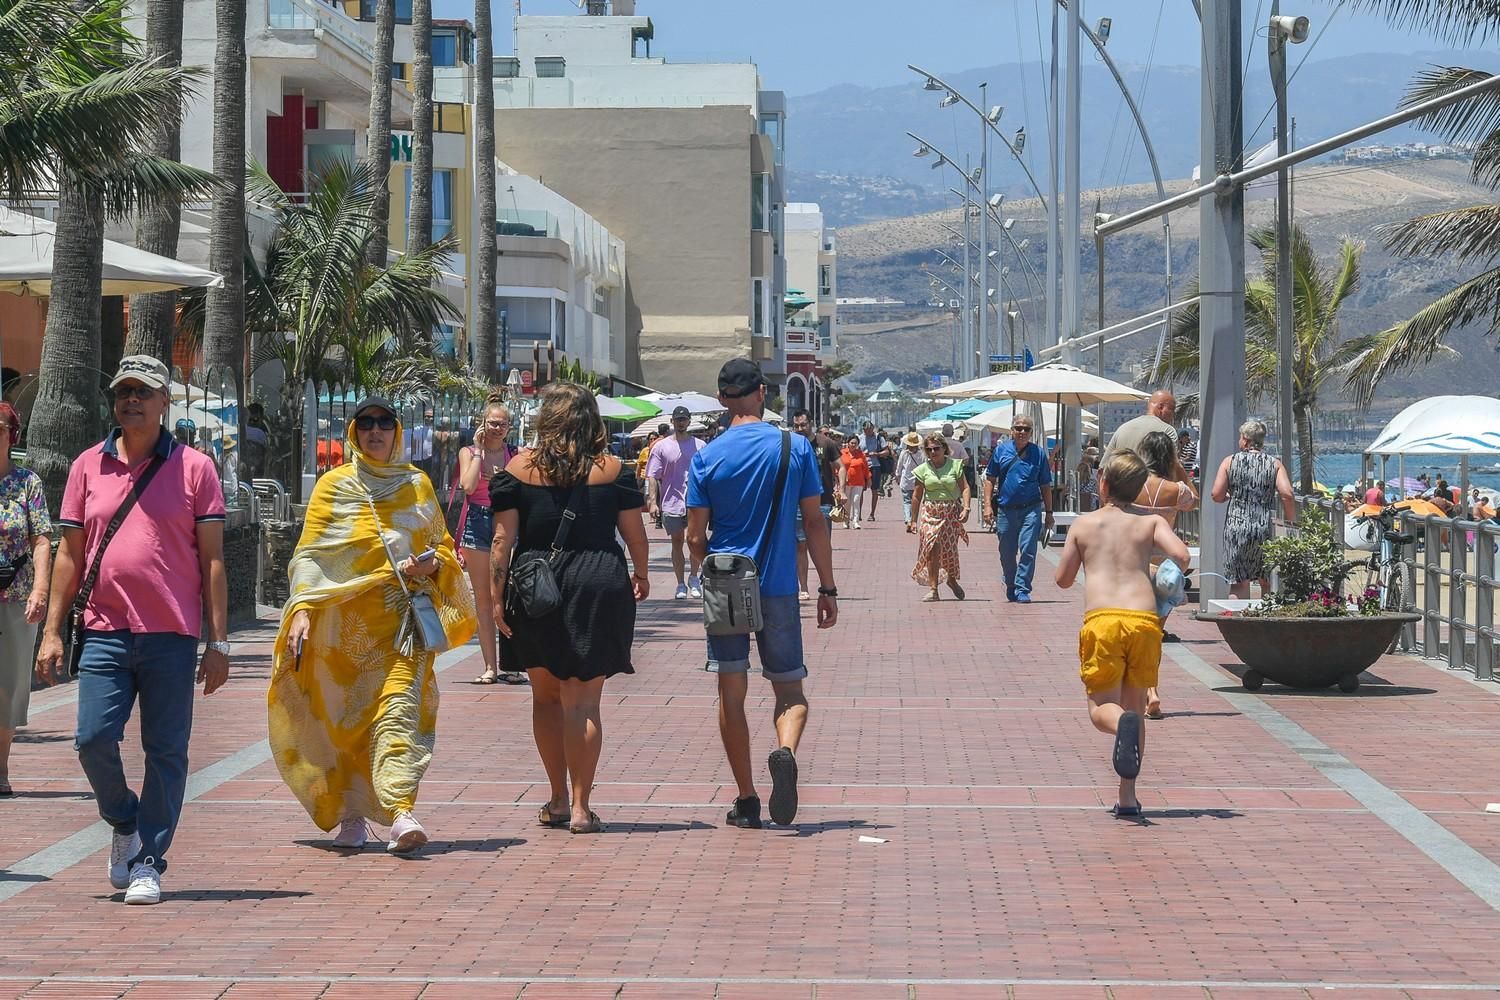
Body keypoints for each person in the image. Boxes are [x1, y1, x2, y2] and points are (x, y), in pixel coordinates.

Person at [36, 355, 229, 905]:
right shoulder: (86, 466)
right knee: (92, 738)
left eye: (143, 392)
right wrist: (53, 630)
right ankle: (125, 821)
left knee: (166, 751)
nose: (131, 401)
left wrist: (217, 643)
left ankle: (148, 860)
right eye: (123, 391)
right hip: (104, 629)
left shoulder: (195, 468)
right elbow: (71, 556)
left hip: (171, 633)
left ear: (164, 401)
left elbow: (213, 560)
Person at [272, 396, 477, 857]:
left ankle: (401, 811)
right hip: (341, 632)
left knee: (399, 712)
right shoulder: (335, 487)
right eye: (366, 423)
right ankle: (351, 813)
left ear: (398, 432)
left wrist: (430, 566)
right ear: (353, 433)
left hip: (402, 627)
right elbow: (309, 554)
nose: (376, 431)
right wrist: (302, 608)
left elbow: (444, 548)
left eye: (385, 423)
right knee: (347, 724)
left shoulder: (416, 485)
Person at [491, 383, 650, 835]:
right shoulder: (614, 470)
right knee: (583, 700)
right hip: (598, 582)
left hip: (537, 584)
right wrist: (641, 572)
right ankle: (582, 807)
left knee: (544, 696)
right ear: (590, 419)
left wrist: (494, 597)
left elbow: (502, 541)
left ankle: (558, 798)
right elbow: (634, 534)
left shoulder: (517, 470)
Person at [687, 358, 838, 829]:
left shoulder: (707, 456)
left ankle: (747, 798)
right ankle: (784, 750)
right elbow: (814, 522)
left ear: (720, 399)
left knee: (731, 692)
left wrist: (703, 576)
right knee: (790, 689)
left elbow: (695, 536)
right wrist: (827, 586)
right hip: (776, 588)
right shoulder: (794, 448)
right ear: (761, 395)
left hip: (726, 585)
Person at [1055, 452, 1191, 820]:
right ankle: (1127, 797)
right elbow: (1181, 554)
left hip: (1103, 621)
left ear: (1103, 484)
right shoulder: (1150, 524)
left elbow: (1064, 579)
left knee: (1102, 709)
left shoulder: (1084, 525)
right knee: (1136, 708)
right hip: (1144, 620)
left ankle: (1120, 725)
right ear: (1138, 489)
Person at [1130, 430, 1200, 719]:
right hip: (1166, 569)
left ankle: (1146, 691)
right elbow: (1194, 498)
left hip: (1135, 565)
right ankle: (1152, 690)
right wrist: (1180, 469)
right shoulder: (1176, 491)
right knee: (1154, 634)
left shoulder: (1131, 485)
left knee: (1135, 632)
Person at [0, 402, 51, 797]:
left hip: (14, 598)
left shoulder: (27, 484)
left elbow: (42, 540)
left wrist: (40, 590)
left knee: (9, 686)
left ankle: (0, 770)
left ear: (11, 434)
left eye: (0, 426)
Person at [457, 401, 523, 686]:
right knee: (483, 598)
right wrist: (479, 452)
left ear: (509, 428)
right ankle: (489, 667)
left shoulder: (514, 455)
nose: (497, 429)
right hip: (477, 523)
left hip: (507, 523)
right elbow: (468, 486)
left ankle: (511, 665)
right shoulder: (468, 453)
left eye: (502, 424)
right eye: (492, 423)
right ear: (482, 423)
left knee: (508, 596)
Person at [1210, 419, 1296, 599]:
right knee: (1266, 580)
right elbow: (1287, 494)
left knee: (1239, 582)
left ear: (1246, 440)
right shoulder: (1274, 464)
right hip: (1264, 528)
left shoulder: (1229, 462)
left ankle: (1236, 623)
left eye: (1241, 438)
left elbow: (1216, 495)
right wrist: (1291, 522)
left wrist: (1230, 496)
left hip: (1236, 527)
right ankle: (1264, 621)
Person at [981, 414, 1054, 603]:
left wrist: (1049, 513)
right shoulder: (1001, 451)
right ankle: (1011, 583)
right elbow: (990, 479)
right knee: (1006, 551)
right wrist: (987, 506)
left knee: (1028, 548)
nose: (1022, 432)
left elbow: (1046, 485)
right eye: (1018, 428)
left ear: (1031, 433)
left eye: (1026, 429)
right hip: (1006, 509)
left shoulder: (1038, 454)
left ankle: (1023, 587)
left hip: (1031, 508)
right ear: (1012, 431)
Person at [647, 406, 703, 599]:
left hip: (696, 501)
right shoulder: (661, 447)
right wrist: (653, 502)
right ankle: (680, 583)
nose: (681, 422)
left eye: (684, 419)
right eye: (677, 419)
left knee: (695, 540)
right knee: (677, 541)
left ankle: (694, 578)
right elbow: (653, 476)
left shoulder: (701, 445)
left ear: (689, 421)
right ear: (672, 421)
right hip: (671, 502)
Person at [910, 433, 971, 601]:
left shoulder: (955, 466)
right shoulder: (922, 470)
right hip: (930, 511)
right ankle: (933, 589)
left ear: (944, 448)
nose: (932, 452)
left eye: (936, 448)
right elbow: (916, 496)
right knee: (931, 547)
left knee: (949, 550)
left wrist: (966, 508)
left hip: (951, 511)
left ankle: (951, 580)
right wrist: (912, 521)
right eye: (928, 449)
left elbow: (965, 488)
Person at [791, 408, 840, 599]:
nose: (800, 428)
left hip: (824, 501)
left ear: (811, 423)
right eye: (796, 426)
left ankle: (825, 585)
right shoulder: (791, 444)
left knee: (822, 544)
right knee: (800, 545)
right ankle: (803, 587)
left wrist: (840, 488)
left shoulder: (825, 443)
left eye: (803, 424)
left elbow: (840, 466)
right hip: (796, 502)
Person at [1103, 390, 1189, 483]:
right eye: (1172, 409)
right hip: (1155, 494)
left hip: (1121, 494)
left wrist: (1106, 497)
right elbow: (1173, 468)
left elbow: (1102, 470)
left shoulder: (1122, 429)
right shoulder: (1168, 431)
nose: (1173, 415)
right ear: (1161, 407)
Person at [894, 431, 925, 532]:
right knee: (916, 502)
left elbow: (899, 466)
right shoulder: (922, 454)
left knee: (907, 501)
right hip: (918, 482)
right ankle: (913, 520)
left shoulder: (904, 453)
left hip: (906, 481)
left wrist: (897, 476)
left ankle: (908, 519)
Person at [839, 437, 871, 530]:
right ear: (848, 443)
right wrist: (838, 478)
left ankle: (856, 521)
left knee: (856, 501)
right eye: (852, 443)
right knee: (847, 503)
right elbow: (838, 466)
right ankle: (846, 521)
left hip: (858, 482)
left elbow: (865, 468)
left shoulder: (861, 454)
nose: (853, 445)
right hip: (846, 482)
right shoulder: (842, 453)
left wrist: (868, 478)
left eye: (855, 443)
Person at [859, 421, 889, 520]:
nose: (868, 432)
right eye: (865, 430)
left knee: (874, 490)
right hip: (863, 466)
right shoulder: (860, 438)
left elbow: (886, 452)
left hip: (875, 466)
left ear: (873, 428)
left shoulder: (879, 438)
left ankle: (872, 513)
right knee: (860, 490)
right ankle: (858, 513)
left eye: (869, 430)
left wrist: (876, 454)